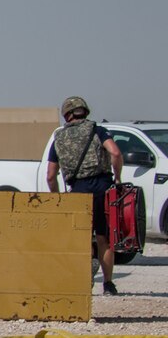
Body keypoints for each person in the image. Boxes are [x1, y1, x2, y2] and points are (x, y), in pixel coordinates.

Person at [46, 95, 123, 295]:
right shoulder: (97, 130)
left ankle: (83, 279)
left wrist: (57, 199)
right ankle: (108, 284)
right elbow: (115, 153)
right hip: (102, 187)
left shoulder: (59, 138)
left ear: (67, 115)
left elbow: (50, 176)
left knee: (82, 238)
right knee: (104, 238)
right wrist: (118, 177)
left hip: (78, 190)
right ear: (85, 111)